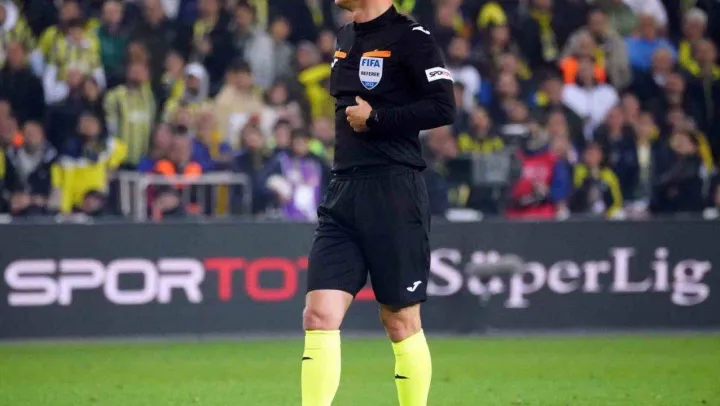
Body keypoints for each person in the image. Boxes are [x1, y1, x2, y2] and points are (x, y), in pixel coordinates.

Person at [301, 1, 455, 406]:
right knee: (318, 316)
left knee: (400, 321)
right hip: (343, 192)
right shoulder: (346, 35)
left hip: (394, 192)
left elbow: (444, 106)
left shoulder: (412, 37)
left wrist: (378, 119)